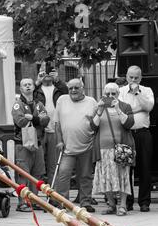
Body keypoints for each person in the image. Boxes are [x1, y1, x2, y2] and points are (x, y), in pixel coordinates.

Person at [90, 83, 135, 216]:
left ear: (118, 94)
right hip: (103, 149)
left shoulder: (125, 106)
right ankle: (111, 205)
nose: (110, 96)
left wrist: (118, 109)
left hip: (121, 149)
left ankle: (122, 206)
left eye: (113, 94)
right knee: (105, 178)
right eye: (107, 94)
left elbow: (129, 124)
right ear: (104, 94)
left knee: (123, 177)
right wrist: (99, 111)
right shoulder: (99, 107)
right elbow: (93, 127)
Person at [54, 78, 98, 212]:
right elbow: (57, 124)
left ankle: (85, 202)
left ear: (82, 88)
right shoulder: (62, 100)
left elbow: (96, 124)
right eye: (70, 88)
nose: (73, 90)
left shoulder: (92, 102)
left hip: (87, 146)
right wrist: (59, 141)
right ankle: (63, 202)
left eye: (76, 88)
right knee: (63, 174)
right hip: (67, 147)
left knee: (85, 176)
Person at [118, 65, 155, 212]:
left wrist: (137, 94)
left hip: (143, 133)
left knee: (145, 168)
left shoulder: (147, 91)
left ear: (141, 78)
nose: (133, 80)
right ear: (126, 76)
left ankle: (144, 202)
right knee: (126, 169)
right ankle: (127, 201)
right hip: (126, 133)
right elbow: (120, 110)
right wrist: (138, 109)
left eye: (136, 77)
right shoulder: (120, 91)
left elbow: (149, 107)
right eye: (131, 77)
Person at [12, 78, 49, 212]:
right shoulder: (17, 104)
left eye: (29, 84)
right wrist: (38, 119)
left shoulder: (39, 104)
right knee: (23, 174)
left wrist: (32, 118)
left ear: (34, 87)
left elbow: (46, 120)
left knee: (37, 174)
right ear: (20, 89)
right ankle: (22, 203)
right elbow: (20, 121)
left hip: (37, 143)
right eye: (24, 85)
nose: (27, 87)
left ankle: (34, 200)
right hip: (22, 144)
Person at [33, 66, 68, 186]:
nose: (47, 74)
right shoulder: (35, 90)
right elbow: (27, 95)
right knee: (38, 166)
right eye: (43, 71)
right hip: (40, 132)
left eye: (50, 72)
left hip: (55, 131)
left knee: (53, 166)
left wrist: (58, 80)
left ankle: (54, 197)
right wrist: (37, 82)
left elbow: (68, 95)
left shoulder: (59, 89)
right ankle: (36, 197)